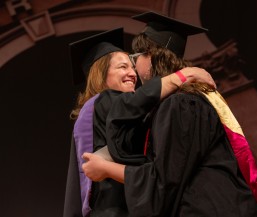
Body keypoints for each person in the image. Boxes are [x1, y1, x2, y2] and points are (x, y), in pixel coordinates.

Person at [82, 11, 257, 217]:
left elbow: (163, 181)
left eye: (136, 58)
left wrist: (106, 169)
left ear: (152, 57)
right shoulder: (191, 98)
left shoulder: (179, 105)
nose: (135, 69)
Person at [63, 27, 216, 217]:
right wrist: (182, 76)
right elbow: (136, 102)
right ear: (101, 74)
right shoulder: (103, 102)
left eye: (132, 66)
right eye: (122, 67)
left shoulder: (97, 110)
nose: (133, 73)